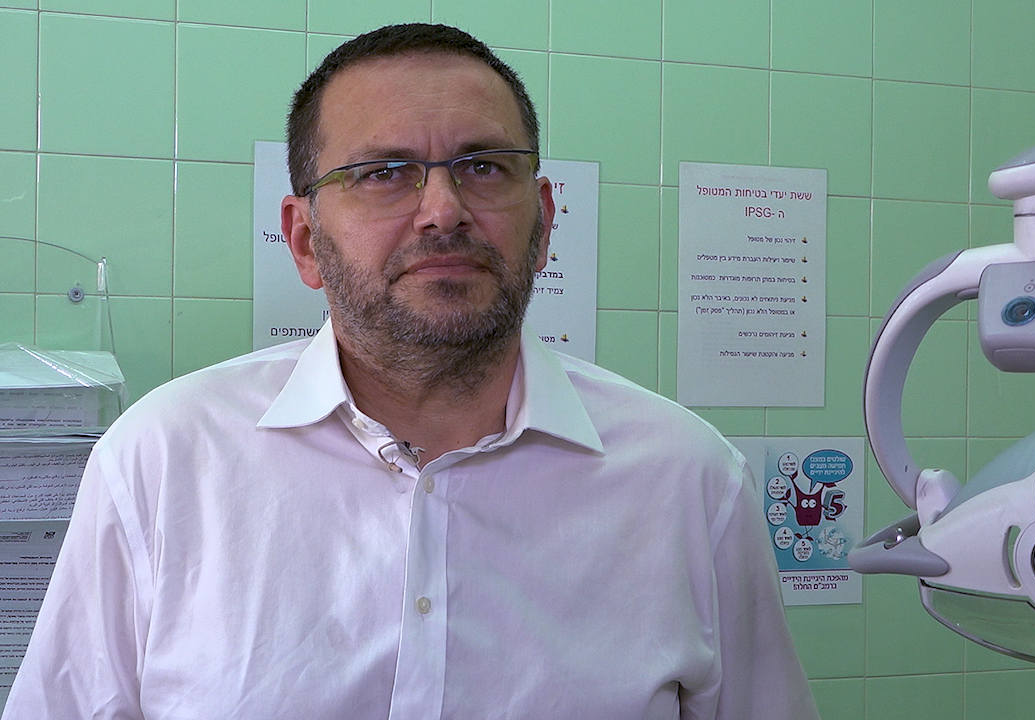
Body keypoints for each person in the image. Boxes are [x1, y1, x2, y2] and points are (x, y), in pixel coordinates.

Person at [3, 23, 820, 720]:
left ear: (542, 225)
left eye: (484, 166)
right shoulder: (161, 460)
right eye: (383, 173)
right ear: (304, 241)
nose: (442, 210)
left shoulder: (690, 480)